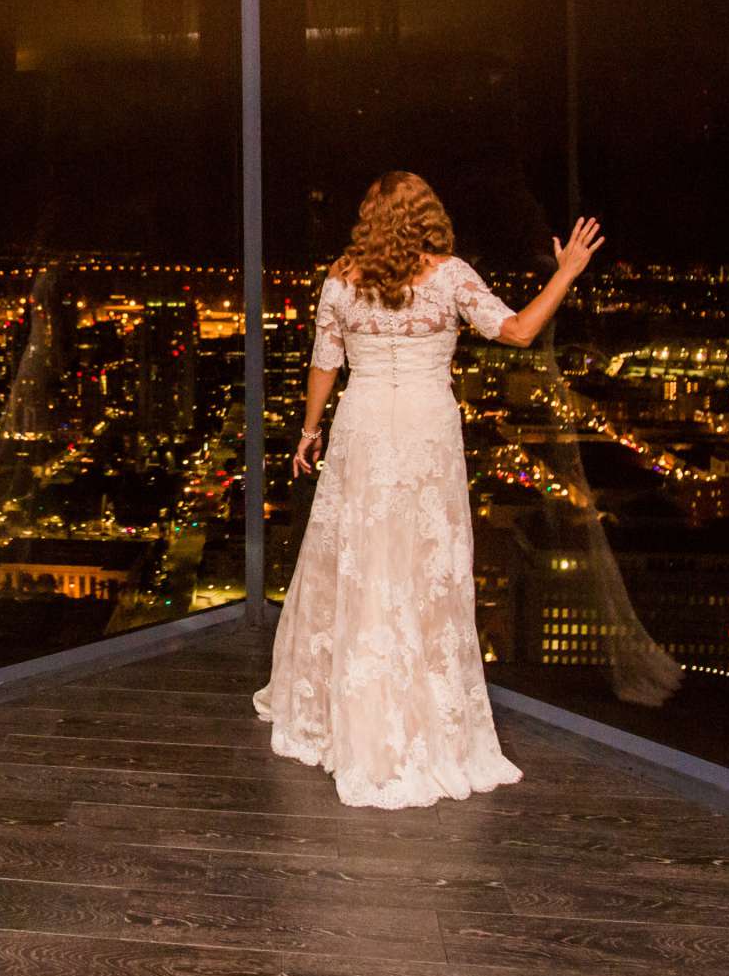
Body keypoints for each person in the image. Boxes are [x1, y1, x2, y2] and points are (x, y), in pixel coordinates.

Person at [255, 170, 604, 809]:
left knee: (356, 559)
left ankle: (343, 705)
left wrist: (309, 432)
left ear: (369, 218)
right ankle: (419, 707)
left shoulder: (340, 278)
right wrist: (566, 272)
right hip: (422, 433)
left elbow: (325, 360)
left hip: (361, 428)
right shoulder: (450, 277)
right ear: (429, 216)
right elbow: (519, 331)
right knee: (422, 566)